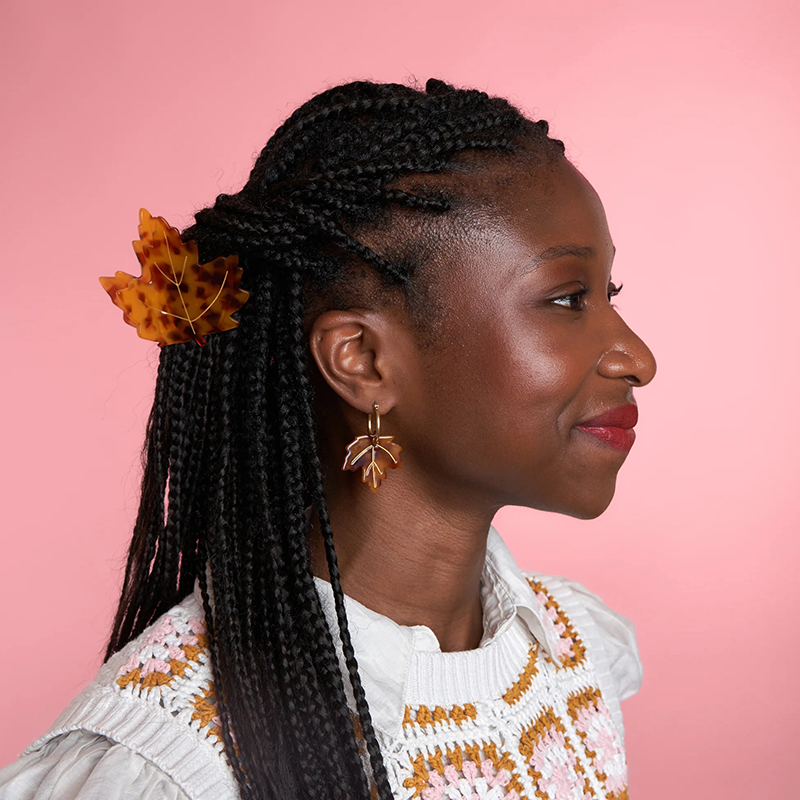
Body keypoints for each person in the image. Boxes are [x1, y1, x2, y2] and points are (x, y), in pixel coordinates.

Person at [0, 78, 657, 800]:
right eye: (567, 299)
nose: (638, 358)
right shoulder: (168, 768)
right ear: (363, 361)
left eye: (609, 295)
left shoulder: (575, 649)